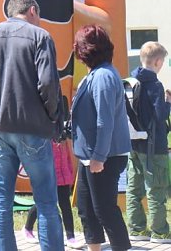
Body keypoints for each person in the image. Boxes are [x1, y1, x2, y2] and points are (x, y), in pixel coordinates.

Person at [0, 0, 64, 251]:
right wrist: (53, 118)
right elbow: (48, 84)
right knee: (46, 201)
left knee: (0, 201)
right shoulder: (41, 37)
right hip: (33, 128)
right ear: (32, 11)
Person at [70, 24, 132, 251]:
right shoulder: (96, 74)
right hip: (91, 155)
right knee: (86, 209)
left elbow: (104, 121)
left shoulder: (103, 76)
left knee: (105, 210)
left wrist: (98, 156)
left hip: (104, 155)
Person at [126, 41, 171, 243]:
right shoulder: (155, 85)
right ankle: (160, 232)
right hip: (154, 146)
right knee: (156, 189)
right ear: (158, 62)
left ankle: (136, 230)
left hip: (133, 144)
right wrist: (168, 102)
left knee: (134, 189)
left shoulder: (130, 81)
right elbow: (160, 116)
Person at [23, 138, 80, 249]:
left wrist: (69, 175)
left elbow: (68, 158)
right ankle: (27, 228)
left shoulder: (63, 139)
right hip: (49, 178)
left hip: (64, 178)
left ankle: (70, 237)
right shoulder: (44, 139)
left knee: (66, 206)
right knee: (42, 203)